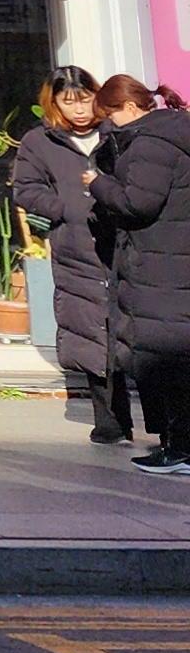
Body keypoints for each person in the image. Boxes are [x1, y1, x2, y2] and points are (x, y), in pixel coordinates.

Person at [10, 66, 126, 443]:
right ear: (54, 102)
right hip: (76, 246)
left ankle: (160, 425)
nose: (78, 110)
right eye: (68, 102)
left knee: (130, 327)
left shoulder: (115, 132)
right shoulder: (39, 140)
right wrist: (65, 210)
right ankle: (109, 421)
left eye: (85, 100)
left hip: (124, 240)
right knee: (89, 328)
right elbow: (26, 189)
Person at [89, 73, 190, 473]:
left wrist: (98, 184)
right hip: (174, 259)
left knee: (167, 360)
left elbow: (138, 203)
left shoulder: (151, 144)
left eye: (111, 114)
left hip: (160, 264)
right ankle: (177, 444)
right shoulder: (175, 133)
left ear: (130, 107)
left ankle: (180, 448)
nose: (110, 123)